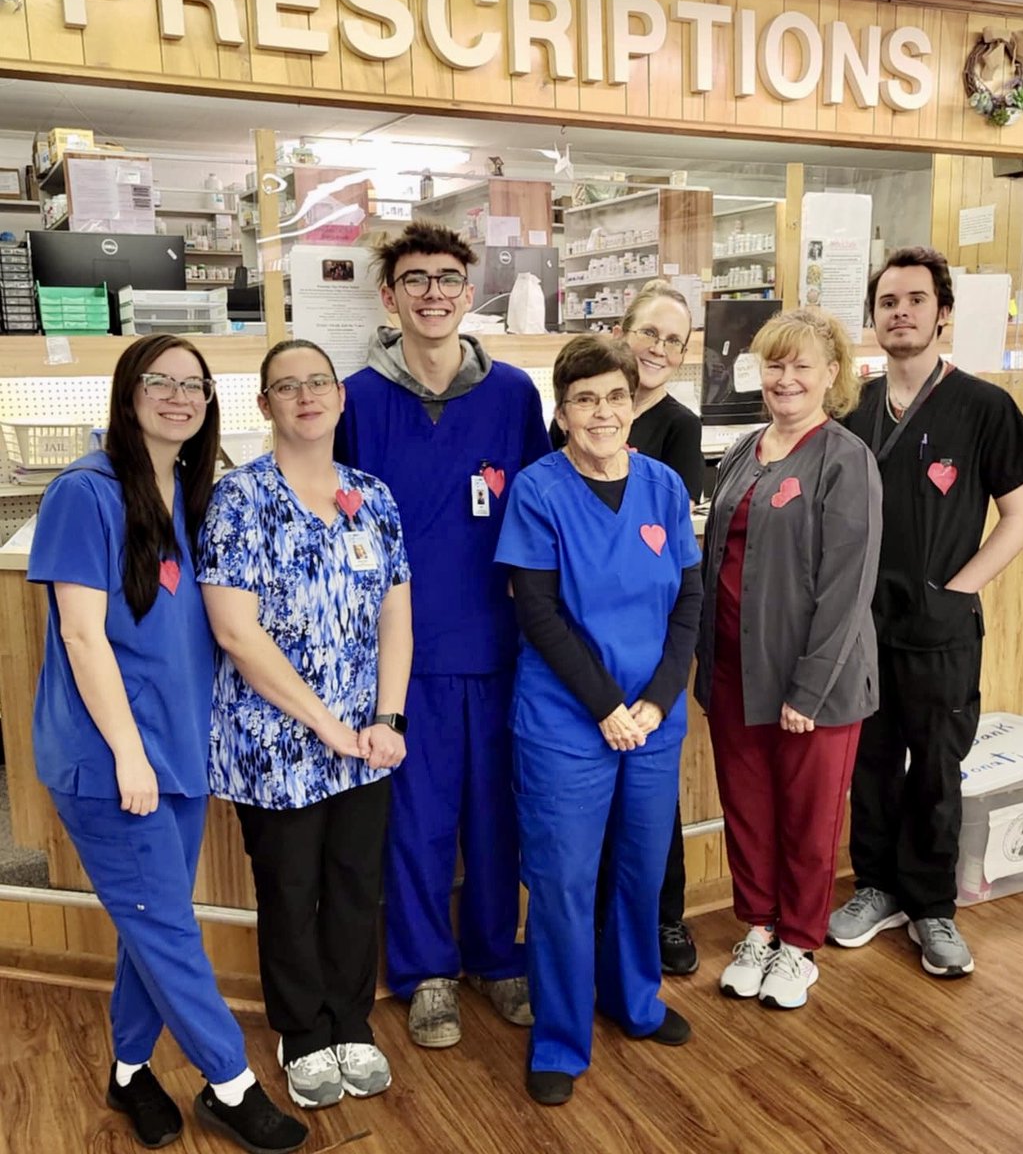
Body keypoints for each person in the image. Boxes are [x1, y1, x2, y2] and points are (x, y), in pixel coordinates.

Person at [28, 335, 307, 1154]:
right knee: (167, 927)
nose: (180, 397)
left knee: (153, 920)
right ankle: (231, 1084)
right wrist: (127, 753)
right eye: (162, 381)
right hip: (112, 760)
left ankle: (126, 1071)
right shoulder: (85, 493)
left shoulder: (188, 488)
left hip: (177, 750)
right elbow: (83, 638)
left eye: (195, 385)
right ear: (128, 390)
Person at [334, 222, 550, 1049]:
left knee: (498, 815)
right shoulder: (356, 397)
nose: (432, 292)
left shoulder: (512, 396)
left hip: (496, 646)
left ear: (470, 294)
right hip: (400, 661)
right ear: (387, 297)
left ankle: (498, 959)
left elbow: (534, 512)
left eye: (448, 278)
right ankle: (427, 971)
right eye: (414, 279)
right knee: (417, 822)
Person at [198, 339, 412, 1108]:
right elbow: (234, 631)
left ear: (340, 398)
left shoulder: (371, 497)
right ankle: (301, 1029)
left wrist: (387, 715)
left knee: (356, 883)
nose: (306, 396)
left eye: (318, 382)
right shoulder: (240, 498)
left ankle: (350, 1019)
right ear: (265, 406)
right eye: (286, 387)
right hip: (275, 742)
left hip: (365, 742)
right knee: (290, 889)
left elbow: (396, 617)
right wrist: (325, 723)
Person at [828, 247, 1023, 976]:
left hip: (939, 628)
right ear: (872, 318)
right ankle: (874, 888)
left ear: (941, 313)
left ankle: (930, 908)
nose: (900, 312)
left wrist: (954, 591)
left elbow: (1021, 515)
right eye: (887, 301)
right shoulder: (851, 408)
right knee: (868, 764)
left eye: (915, 300)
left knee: (933, 767)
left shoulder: (983, 407)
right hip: (862, 626)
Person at [496, 334, 703, 1105]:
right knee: (561, 882)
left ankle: (635, 1002)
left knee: (641, 871)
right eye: (585, 399)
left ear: (632, 402)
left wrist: (655, 699)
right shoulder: (538, 490)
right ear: (562, 411)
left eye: (615, 396)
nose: (603, 411)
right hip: (565, 725)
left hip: (652, 720)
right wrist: (607, 708)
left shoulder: (660, 486)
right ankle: (558, 1037)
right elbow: (538, 615)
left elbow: (688, 599)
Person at [695, 310, 881, 1010]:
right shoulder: (746, 448)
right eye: (774, 365)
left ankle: (799, 944)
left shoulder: (843, 457)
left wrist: (807, 689)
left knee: (806, 817)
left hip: (813, 681)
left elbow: (846, 587)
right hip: (733, 670)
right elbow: (720, 560)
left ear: (831, 374)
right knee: (747, 809)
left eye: (801, 365)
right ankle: (760, 928)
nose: (785, 378)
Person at [552, 282, 705, 976]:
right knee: (578, 838)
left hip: (646, 664)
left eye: (673, 340)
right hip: (577, 670)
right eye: (648, 332)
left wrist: (654, 689)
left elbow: (661, 558)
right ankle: (588, 956)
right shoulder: (572, 422)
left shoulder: (675, 431)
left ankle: (659, 923)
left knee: (648, 820)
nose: (657, 348)